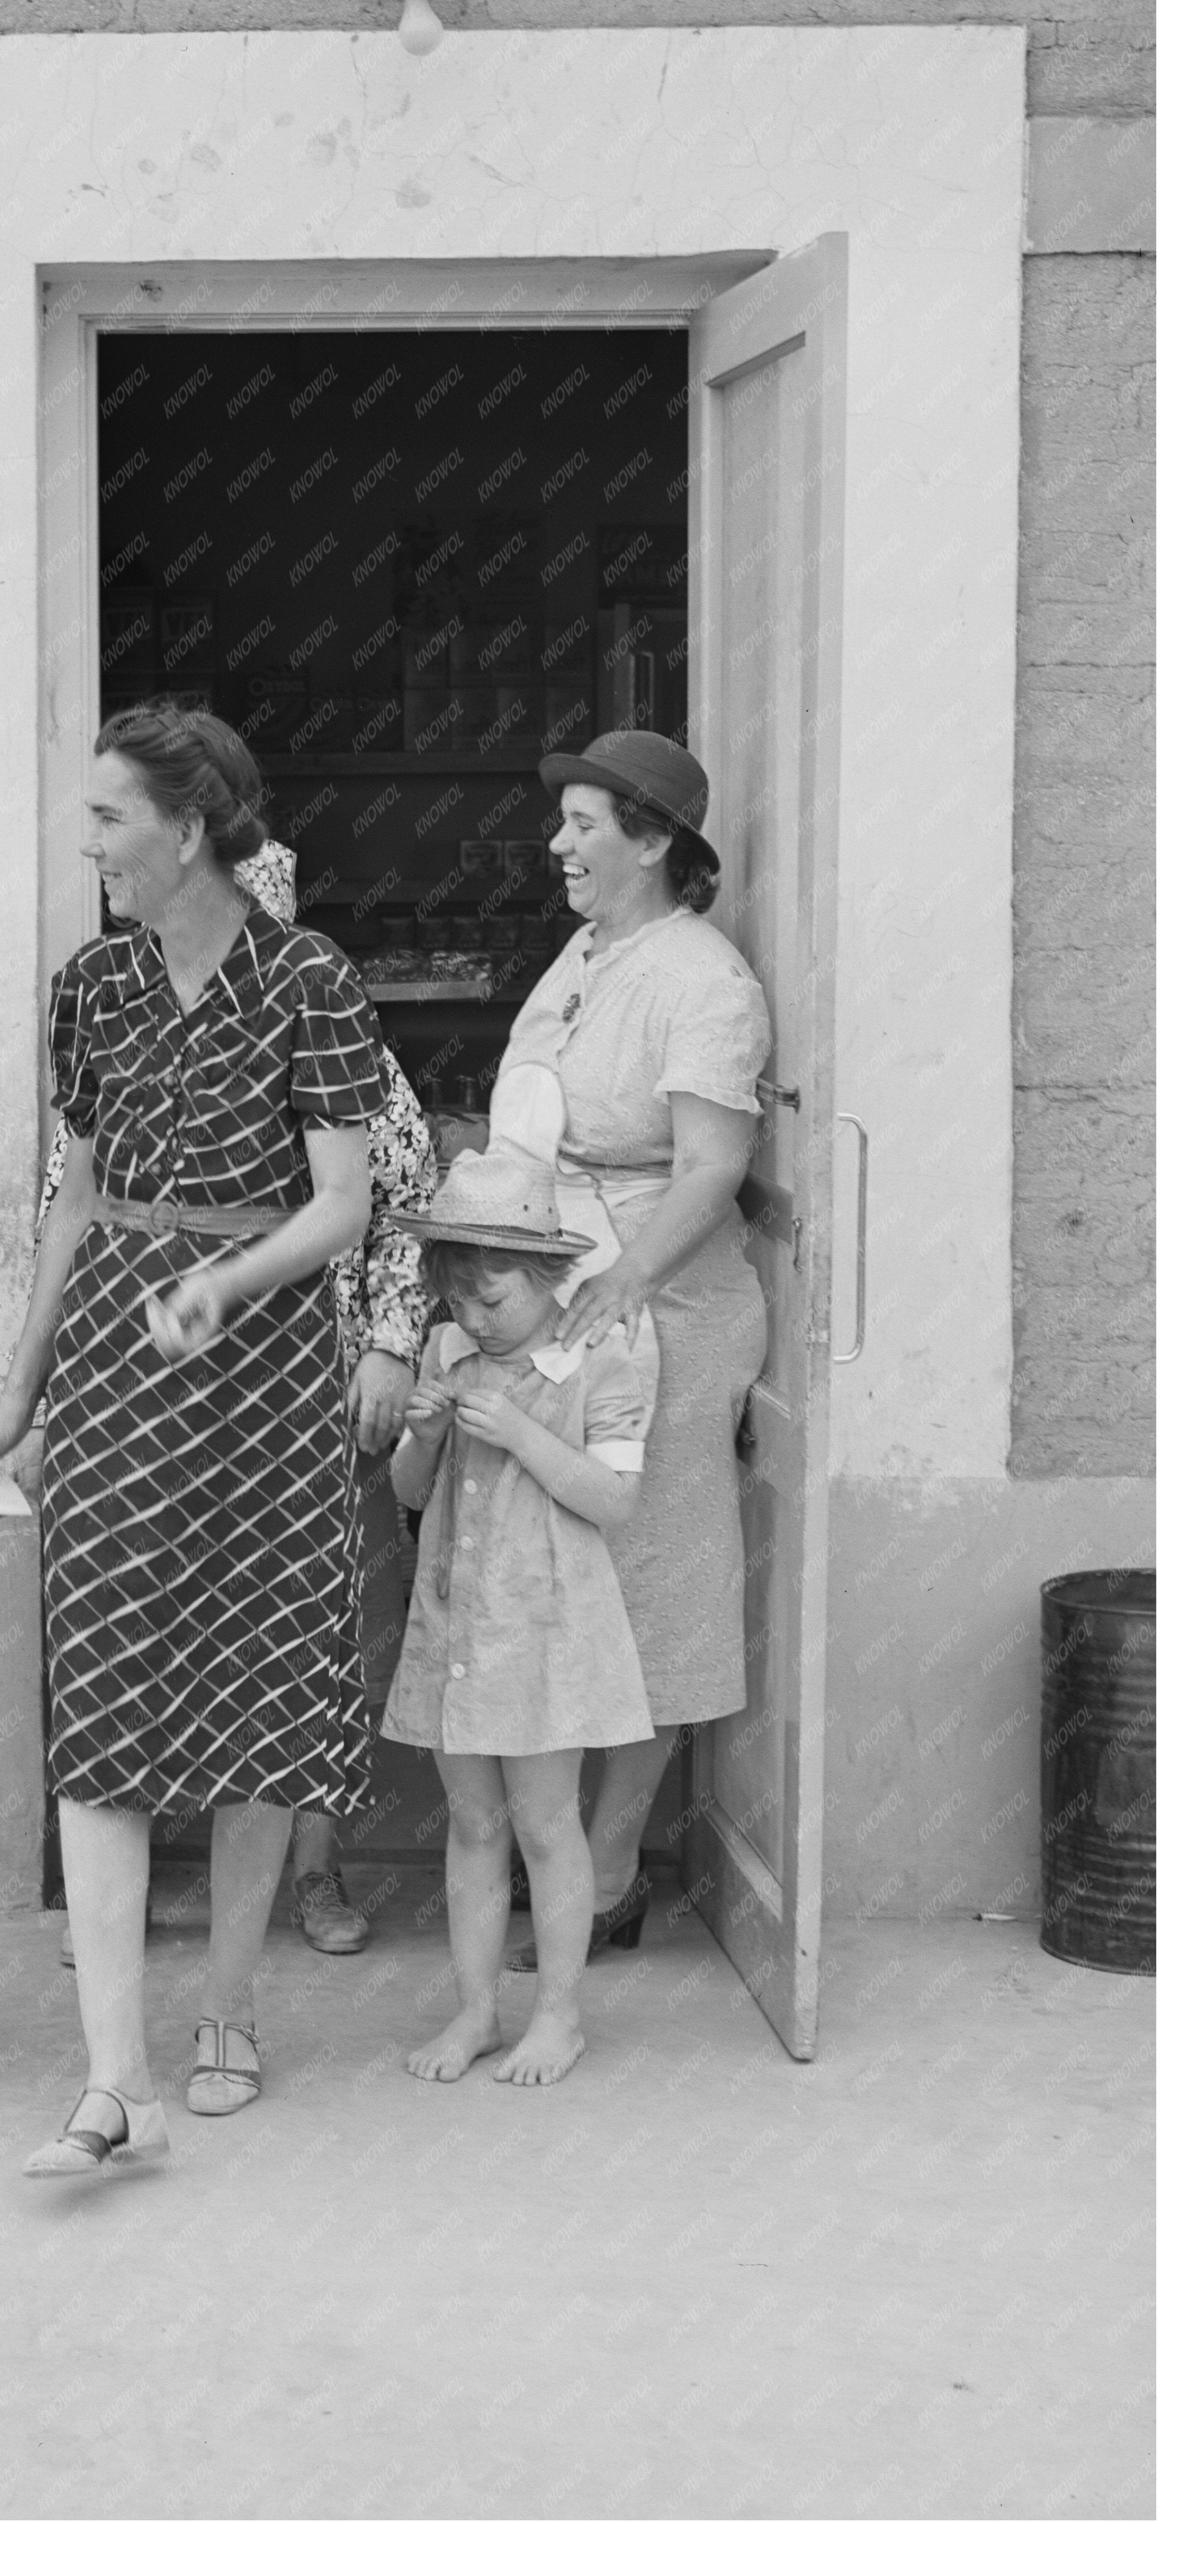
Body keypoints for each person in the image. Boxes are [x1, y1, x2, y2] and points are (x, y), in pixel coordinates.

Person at [0, 701, 387, 2175]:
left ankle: (226, 2007)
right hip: (113, 1362)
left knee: (260, 1671)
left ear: (191, 823)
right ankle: (113, 2076)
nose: (86, 842)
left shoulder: (309, 978)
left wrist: (224, 1276)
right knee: (106, 1685)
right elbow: (71, 1202)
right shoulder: (89, 984)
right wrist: (18, 1387)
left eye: (106, 816)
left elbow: (344, 1198)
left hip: (262, 1358)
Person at [35, 837, 437, 1963]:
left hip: (302, 1385)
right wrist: (43, 1383)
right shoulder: (110, 1016)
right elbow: (61, 1212)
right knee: (137, 1625)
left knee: (311, 1637)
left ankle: (311, 1872)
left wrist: (391, 1350)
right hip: (141, 1386)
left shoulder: (330, 1023)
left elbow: (399, 1203)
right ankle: (125, 1895)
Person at [488, 730, 771, 1961]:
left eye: (585, 823)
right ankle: (557, 1850)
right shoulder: (585, 952)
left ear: (652, 842)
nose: (558, 843)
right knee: (558, 1563)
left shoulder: (703, 979)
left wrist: (621, 1289)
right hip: (568, 1283)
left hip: (657, 1302)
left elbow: (711, 1166)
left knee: (650, 1573)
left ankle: (605, 1879)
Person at [381, 1143, 654, 2087]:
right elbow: (411, 1492)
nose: (472, 1317)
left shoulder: (595, 1360)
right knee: (472, 1822)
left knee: (546, 1825)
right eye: (456, 1298)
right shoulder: (450, 1350)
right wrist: (421, 1437)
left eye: (492, 1300)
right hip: (458, 1622)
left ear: (547, 1275)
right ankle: (474, 2010)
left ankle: (560, 2017)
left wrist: (523, 1433)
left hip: (547, 1630)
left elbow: (614, 1502)